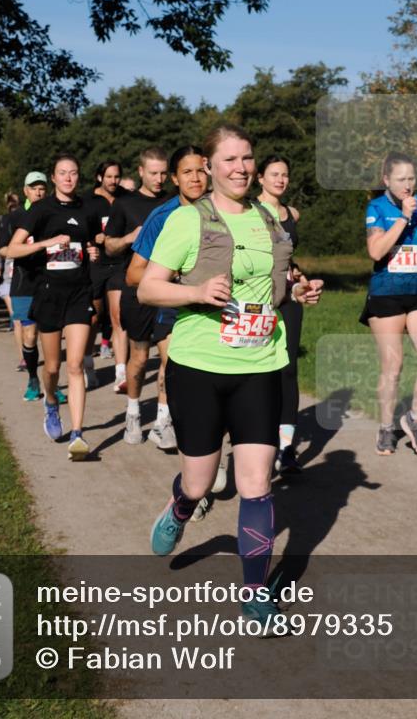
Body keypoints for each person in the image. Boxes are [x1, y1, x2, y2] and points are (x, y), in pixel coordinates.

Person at [139, 124, 323, 624]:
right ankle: (180, 509)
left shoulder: (270, 221)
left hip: (260, 365)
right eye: (229, 161)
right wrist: (196, 293)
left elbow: (276, 285)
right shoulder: (187, 221)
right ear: (210, 168)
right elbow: (149, 289)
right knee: (199, 483)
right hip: (199, 367)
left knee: (255, 483)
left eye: (247, 159)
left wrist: (298, 293)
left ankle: (255, 592)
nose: (240, 168)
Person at [6, 156, 99, 459]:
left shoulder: (88, 208)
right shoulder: (41, 210)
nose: (69, 178)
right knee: (53, 367)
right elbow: (11, 249)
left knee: (74, 365)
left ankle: (78, 435)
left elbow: (93, 241)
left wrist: (94, 250)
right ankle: (49, 402)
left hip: (79, 293)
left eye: (73, 173)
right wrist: (45, 243)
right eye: (63, 173)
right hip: (48, 294)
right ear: (54, 177)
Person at [362, 153, 417, 457]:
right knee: (393, 365)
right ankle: (386, 427)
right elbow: (376, 251)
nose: (408, 186)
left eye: (412, 178)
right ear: (386, 180)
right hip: (386, 293)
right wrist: (402, 217)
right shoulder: (376, 207)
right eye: (401, 180)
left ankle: (414, 419)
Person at [126, 145, 208, 451]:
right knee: (165, 364)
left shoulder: (225, 210)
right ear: (175, 178)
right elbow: (134, 275)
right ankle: (146, 415)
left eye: (201, 170)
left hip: (215, 309)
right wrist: (177, 279)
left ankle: (173, 426)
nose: (196, 178)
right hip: (170, 306)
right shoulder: (162, 216)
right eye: (188, 172)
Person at [104, 146, 169, 443]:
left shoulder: (175, 202)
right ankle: (133, 413)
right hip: (136, 289)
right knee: (140, 358)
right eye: (153, 173)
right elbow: (109, 246)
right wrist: (131, 237)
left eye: (164, 173)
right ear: (141, 171)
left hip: (169, 289)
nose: (159, 178)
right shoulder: (124, 203)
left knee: (171, 358)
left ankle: (162, 421)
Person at [256, 155, 308, 475]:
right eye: (274, 174)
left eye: (285, 174)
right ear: (260, 178)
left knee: (288, 370)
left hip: (289, 299)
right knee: (261, 372)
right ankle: (260, 442)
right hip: (257, 301)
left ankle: (286, 448)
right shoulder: (249, 212)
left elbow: (289, 260)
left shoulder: (293, 214)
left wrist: (301, 277)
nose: (280, 180)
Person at [0, 172, 63, 403]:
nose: (38, 192)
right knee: (29, 333)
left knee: (50, 333)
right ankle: (33, 379)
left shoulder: (55, 214)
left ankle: (52, 383)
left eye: (42, 188)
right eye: (33, 188)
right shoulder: (14, 218)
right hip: (24, 282)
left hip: (51, 280)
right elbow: (3, 250)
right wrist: (36, 247)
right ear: (25, 190)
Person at [86, 160, 129, 384]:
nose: (113, 181)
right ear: (99, 177)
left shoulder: (125, 198)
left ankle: (120, 373)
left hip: (119, 264)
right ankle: (87, 362)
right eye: (109, 177)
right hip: (96, 265)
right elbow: (77, 230)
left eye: (117, 176)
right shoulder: (88, 201)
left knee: (118, 317)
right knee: (93, 316)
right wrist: (91, 242)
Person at [0, 192, 21, 349]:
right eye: (10, 206)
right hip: (9, 277)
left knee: (26, 323)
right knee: (17, 318)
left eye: (15, 206)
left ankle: (29, 351)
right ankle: (23, 359)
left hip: (25, 278)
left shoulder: (28, 222)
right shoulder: (3, 222)